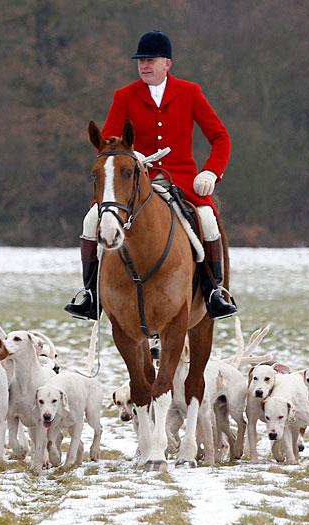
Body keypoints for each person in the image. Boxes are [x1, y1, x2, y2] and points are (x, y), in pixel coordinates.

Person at [64, 30, 236, 321]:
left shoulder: (190, 92)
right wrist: (129, 157)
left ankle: (214, 292)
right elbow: (107, 141)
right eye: (141, 60)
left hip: (181, 178)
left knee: (207, 219)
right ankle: (90, 294)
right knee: (91, 219)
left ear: (167, 63)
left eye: (151, 60)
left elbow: (220, 137)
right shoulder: (124, 95)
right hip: (133, 181)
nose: (144, 65)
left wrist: (211, 171)